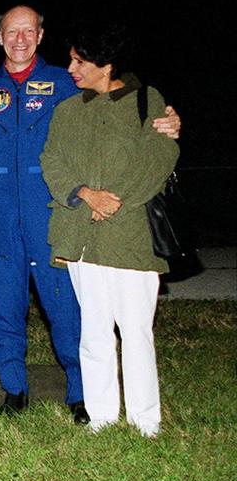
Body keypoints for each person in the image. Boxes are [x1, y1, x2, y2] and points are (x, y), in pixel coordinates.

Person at [0, 5, 180, 423]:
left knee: (66, 304)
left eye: (28, 31)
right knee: (1, 303)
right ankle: (13, 387)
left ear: (40, 35)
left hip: (53, 211)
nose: (19, 39)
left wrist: (168, 121)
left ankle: (81, 392)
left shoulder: (64, 84)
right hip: (0, 215)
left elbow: (115, 104)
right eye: (11, 32)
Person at [40, 28, 178, 437]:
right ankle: (101, 416)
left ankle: (145, 420)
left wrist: (116, 199)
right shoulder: (67, 110)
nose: (71, 69)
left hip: (129, 237)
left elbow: (160, 154)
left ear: (106, 63)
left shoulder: (145, 100)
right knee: (94, 328)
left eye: (79, 61)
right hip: (81, 235)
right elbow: (52, 158)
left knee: (135, 329)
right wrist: (84, 194)